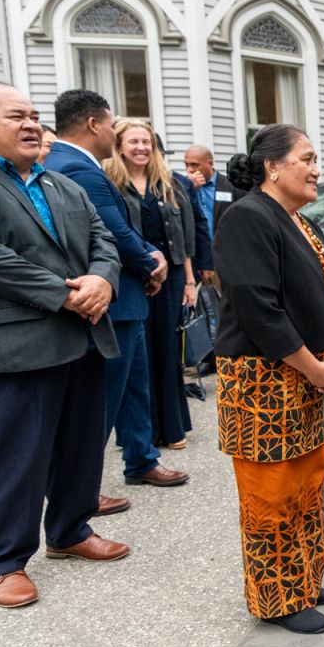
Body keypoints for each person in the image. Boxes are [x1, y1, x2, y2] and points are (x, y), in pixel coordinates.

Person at [0, 82, 130, 609]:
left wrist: (104, 281)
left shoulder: (61, 183)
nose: (30, 124)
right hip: (17, 345)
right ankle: (1, 561)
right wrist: (65, 295)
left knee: (81, 444)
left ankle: (70, 530)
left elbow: (103, 241)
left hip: (84, 336)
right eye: (15, 115)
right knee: (15, 456)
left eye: (34, 115)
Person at [215, 124, 324, 634]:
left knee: (306, 481)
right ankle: (277, 599)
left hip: (299, 372)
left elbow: (323, 293)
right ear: (273, 166)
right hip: (260, 379)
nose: (317, 169)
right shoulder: (246, 218)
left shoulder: (299, 219)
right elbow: (259, 308)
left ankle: (302, 577)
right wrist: (312, 365)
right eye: (307, 158)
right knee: (270, 492)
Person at [46, 90, 187, 498]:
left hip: (127, 299)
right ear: (94, 124)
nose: (113, 130)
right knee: (101, 399)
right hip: (111, 301)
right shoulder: (81, 170)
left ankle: (141, 460)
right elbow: (110, 233)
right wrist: (151, 260)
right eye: (111, 123)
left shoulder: (70, 164)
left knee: (132, 388)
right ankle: (79, 491)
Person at [105, 119, 198, 450]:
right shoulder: (110, 183)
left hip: (170, 277)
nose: (141, 147)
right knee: (136, 356)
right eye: (133, 142)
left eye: (146, 141)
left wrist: (190, 280)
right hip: (131, 277)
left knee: (167, 350)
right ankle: (139, 431)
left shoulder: (170, 183)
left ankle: (172, 428)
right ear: (119, 146)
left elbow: (186, 237)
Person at [183, 144, 245, 253]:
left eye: (194, 165)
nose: (189, 170)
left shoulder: (231, 186)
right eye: (186, 165)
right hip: (197, 255)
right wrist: (189, 188)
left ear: (210, 163)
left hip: (226, 253)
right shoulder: (181, 187)